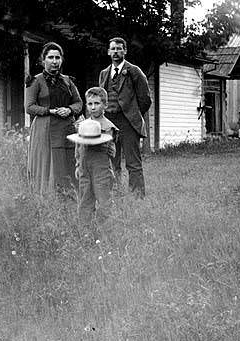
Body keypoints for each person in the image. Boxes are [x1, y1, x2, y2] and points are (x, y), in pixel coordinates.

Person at [26, 42, 83, 196]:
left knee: (67, 162)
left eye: (58, 57)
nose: (54, 61)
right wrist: (49, 110)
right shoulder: (35, 81)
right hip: (45, 129)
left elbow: (79, 103)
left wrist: (69, 109)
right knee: (48, 162)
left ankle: (69, 196)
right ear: (43, 60)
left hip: (66, 129)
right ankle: (48, 197)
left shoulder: (68, 81)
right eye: (50, 57)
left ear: (62, 60)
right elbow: (29, 107)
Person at [98, 37, 151, 198]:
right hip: (109, 122)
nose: (116, 52)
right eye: (113, 49)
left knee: (133, 163)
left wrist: (133, 114)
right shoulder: (104, 73)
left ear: (125, 51)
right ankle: (115, 195)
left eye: (119, 48)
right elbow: (101, 98)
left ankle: (137, 197)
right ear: (108, 52)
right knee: (112, 161)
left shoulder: (134, 71)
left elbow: (145, 99)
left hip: (128, 122)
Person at [71, 87, 117, 221]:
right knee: (85, 198)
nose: (93, 107)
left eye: (97, 103)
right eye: (90, 104)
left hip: (101, 168)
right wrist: (78, 165)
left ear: (105, 105)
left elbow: (112, 150)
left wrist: (107, 145)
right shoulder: (83, 125)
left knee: (104, 199)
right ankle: (85, 227)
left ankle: (105, 227)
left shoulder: (108, 127)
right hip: (84, 167)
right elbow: (78, 147)